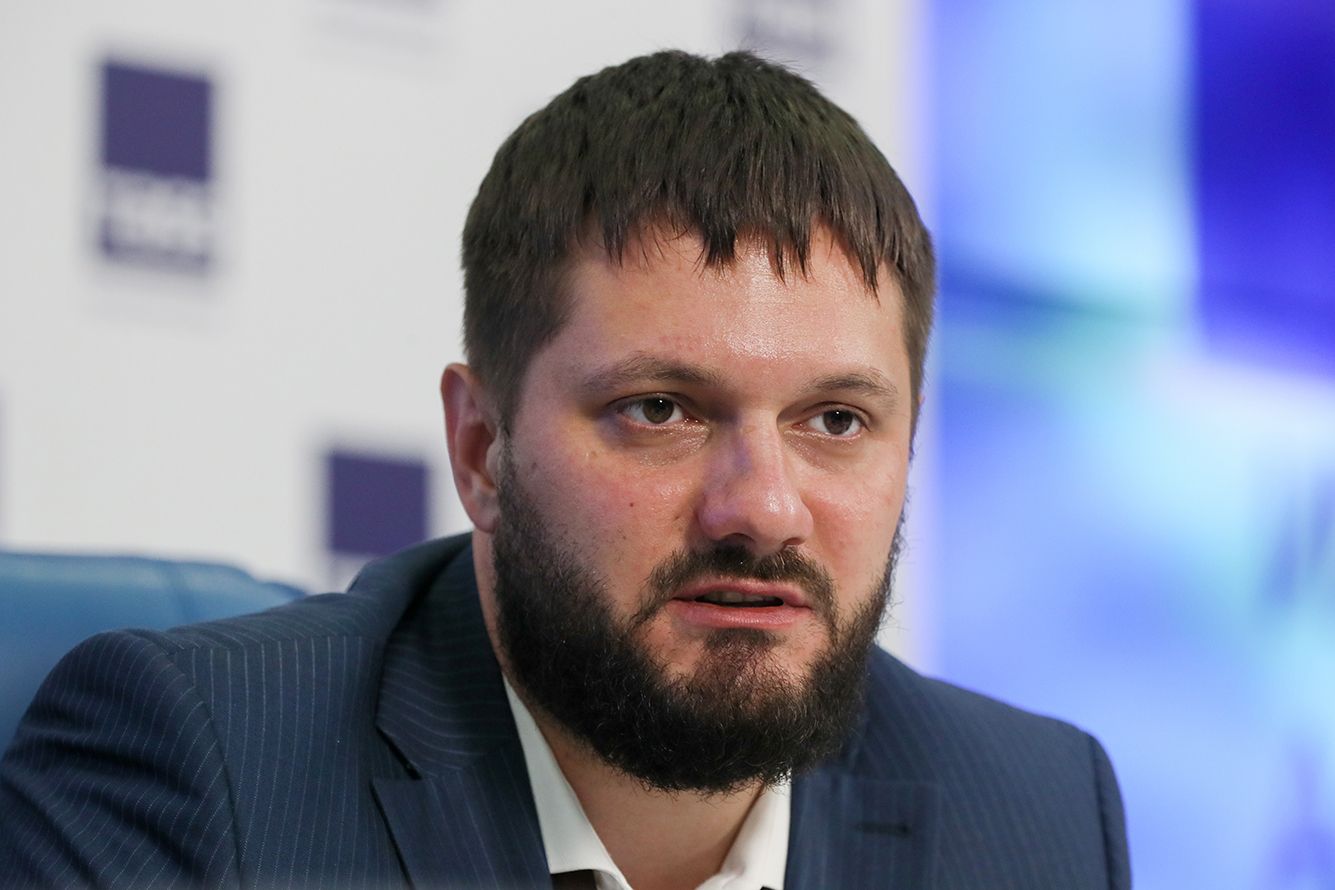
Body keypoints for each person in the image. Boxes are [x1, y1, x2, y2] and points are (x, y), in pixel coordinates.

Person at [0, 50, 1129, 889]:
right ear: (481, 450)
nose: (763, 508)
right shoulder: (202, 774)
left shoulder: (1034, 816)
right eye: (660, 410)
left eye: (835, 420)